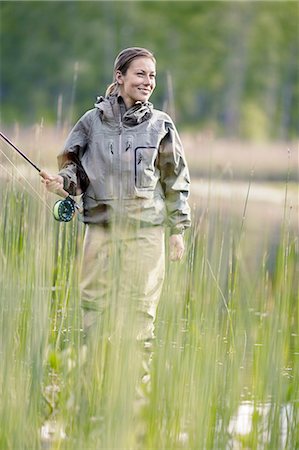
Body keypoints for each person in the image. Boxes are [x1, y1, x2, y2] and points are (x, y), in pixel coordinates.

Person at [40, 47, 191, 348]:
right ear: (119, 77)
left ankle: (136, 388)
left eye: (153, 76)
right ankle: (92, 379)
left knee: (140, 313)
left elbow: (176, 180)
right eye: (140, 74)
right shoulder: (90, 122)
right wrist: (62, 181)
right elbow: (74, 170)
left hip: (146, 233)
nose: (148, 81)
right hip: (101, 230)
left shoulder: (162, 124)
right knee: (93, 309)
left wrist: (177, 231)